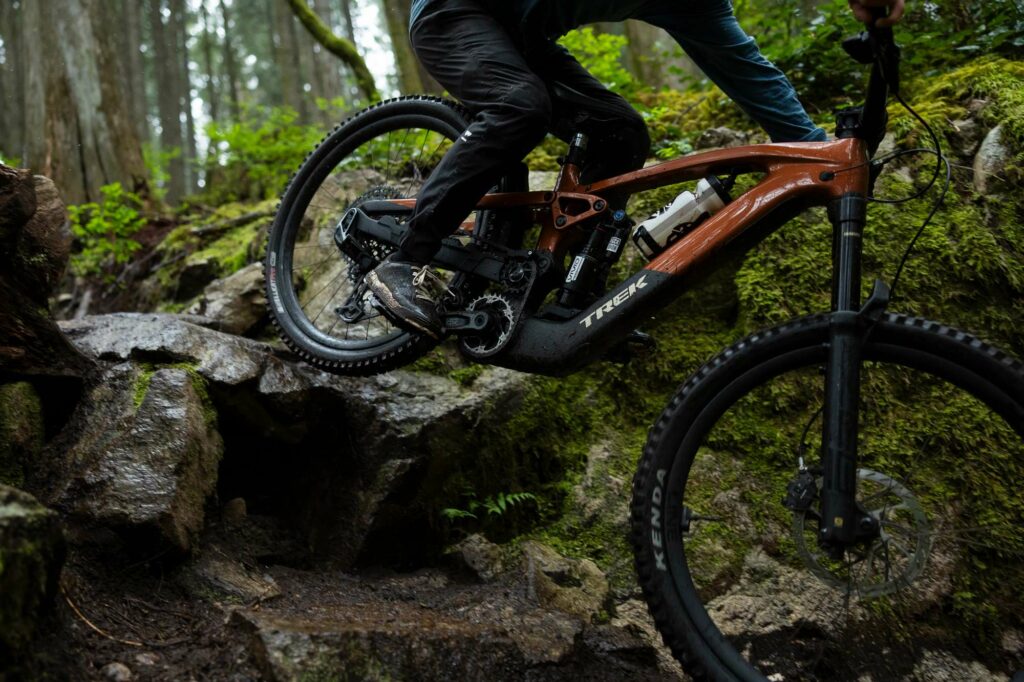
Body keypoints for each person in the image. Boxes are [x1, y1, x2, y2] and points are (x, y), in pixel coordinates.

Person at [367, 0, 906, 339]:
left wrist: (823, 155)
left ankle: (571, 299)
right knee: (520, 106)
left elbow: (754, 78)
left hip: (522, 40)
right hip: (454, 12)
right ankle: (403, 260)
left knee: (623, 134)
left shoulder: (699, 8)